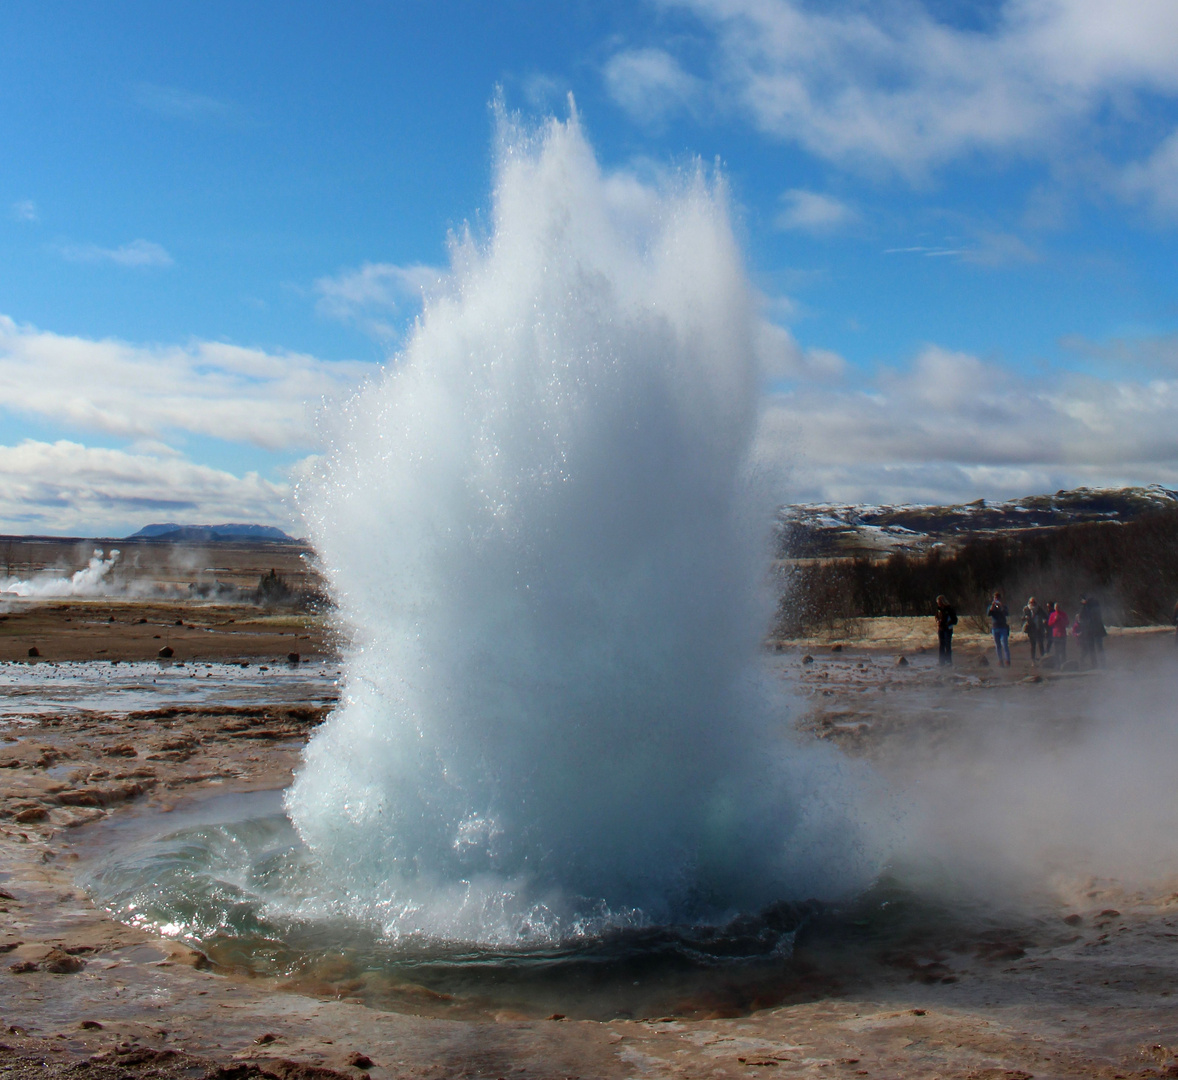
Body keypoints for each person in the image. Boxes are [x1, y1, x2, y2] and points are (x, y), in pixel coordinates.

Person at [1078, 594, 1107, 668]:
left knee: (1093, 648)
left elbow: (1081, 617)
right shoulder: (1095, 604)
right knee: (1098, 647)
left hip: (1090, 630)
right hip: (1096, 630)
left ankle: (1095, 664)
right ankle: (1102, 664)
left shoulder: (1086, 607)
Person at [987, 589, 1011, 667]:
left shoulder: (1004, 606)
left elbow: (1006, 613)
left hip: (1003, 627)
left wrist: (1001, 606)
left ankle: (1007, 660)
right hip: (995, 627)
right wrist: (993, 606)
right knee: (997, 645)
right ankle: (1000, 660)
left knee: (1005, 644)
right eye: (995, 598)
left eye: (998, 598)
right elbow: (989, 613)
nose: (996, 599)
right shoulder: (991, 606)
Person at [935, 594, 958, 665]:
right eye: (938, 603)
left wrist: (947, 623)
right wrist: (937, 621)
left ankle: (948, 661)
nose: (938, 604)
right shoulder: (938, 609)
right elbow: (936, 617)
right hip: (941, 629)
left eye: (939, 603)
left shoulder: (949, 609)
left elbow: (955, 620)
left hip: (948, 629)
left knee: (948, 645)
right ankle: (941, 661)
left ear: (943, 602)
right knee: (941, 645)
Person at [1022, 597, 1046, 662]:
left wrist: (1044, 620)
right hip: (1031, 629)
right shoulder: (1026, 609)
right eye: (1031, 602)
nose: (1032, 603)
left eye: (1033, 602)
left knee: (1041, 644)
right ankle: (1033, 659)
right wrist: (1026, 617)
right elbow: (1022, 618)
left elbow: (1045, 616)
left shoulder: (1039, 608)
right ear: (1029, 602)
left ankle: (1043, 658)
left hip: (1039, 628)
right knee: (1033, 645)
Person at [1048, 600, 1069, 665]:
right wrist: (1055, 619)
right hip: (1055, 634)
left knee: (1063, 650)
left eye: (1058, 607)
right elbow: (1049, 624)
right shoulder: (1052, 614)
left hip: (1062, 634)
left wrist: (1060, 619)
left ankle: (1064, 663)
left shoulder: (1063, 614)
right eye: (1056, 607)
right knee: (1056, 650)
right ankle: (1057, 664)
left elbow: (1067, 623)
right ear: (1054, 608)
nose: (1057, 608)